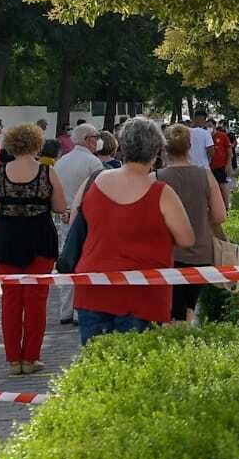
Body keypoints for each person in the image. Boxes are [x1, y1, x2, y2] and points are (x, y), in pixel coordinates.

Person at [72, 117, 194, 344]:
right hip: (142, 292)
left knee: (94, 366)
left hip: (93, 287)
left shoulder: (94, 181)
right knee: (133, 366)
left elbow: (75, 223)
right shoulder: (162, 193)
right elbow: (186, 239)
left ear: (122, 146)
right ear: (156, 151)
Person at [0, 122, 68, 374]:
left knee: (10, 299)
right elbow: (61, 207)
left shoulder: (0, 171)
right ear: (36, 143)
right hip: (40, 238)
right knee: (36, 301)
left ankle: (13, 360)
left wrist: (7, 205)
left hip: (7, 238)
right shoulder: (46, 171)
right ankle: (31, 358)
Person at [157, 124, 229, 323]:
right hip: (200, 249)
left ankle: (177, 345)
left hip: (169, 252)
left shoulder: (157, 178)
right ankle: (187, 342)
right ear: (189, 147)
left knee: (174, 308)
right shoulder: (205, 175)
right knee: (190, 305)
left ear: (164, 148)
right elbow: (220, 215)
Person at [53, 123, 104, 325]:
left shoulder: (61, 162)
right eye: (95, 136)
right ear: (87, 139)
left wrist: (64, 211)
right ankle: (79, 310)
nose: (98, 140)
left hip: (65, 218)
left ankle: (65, 310)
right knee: (84, 264)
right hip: (87, 220)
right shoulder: (94, 163)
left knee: (67, 261)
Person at [210, 119, 232, 193]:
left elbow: (229, 150)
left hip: (220, 166)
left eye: (210, 126)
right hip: (209, 166)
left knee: (222, 185)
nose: (209, 128)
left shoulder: (222, 135)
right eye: (207, 127)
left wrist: (228, 164)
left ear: (214, 126)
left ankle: (226, 204)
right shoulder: (206, 136)